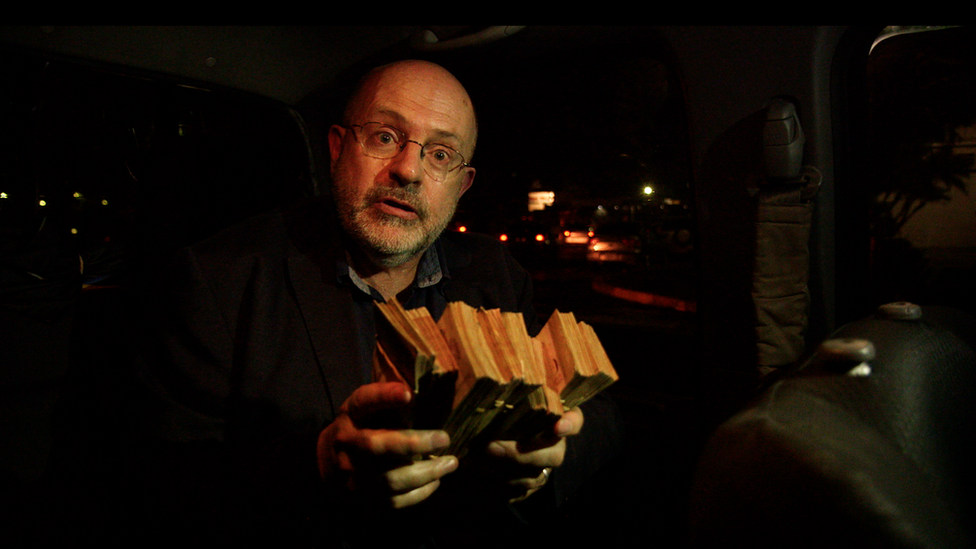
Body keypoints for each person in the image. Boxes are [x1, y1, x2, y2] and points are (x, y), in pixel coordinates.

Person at [127, 59, 622, 547]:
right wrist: (318, 462)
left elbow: (597, 417)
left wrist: (545, 458)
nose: (407, 169)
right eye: (385, 137)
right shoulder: (220, 279)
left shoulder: (495, 273)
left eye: (441, 155)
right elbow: (157, 485)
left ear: (461, 185)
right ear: (338, 147)